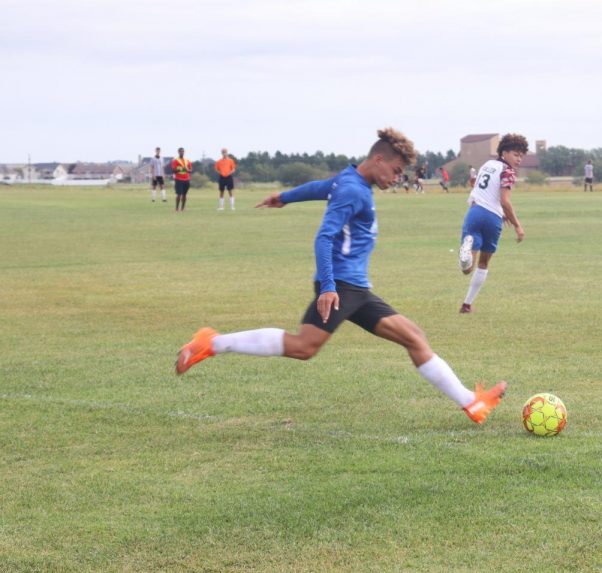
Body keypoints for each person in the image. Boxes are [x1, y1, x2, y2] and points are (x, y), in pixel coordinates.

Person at [175, 128, 506, 424]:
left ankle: (472, 404)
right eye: (395, 171)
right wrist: (329, 287)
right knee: (304, 347)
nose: (396, 178)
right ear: (378, 159)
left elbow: (321, 187)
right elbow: (324, 237)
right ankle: (212, 342)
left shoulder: (349, 180)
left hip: (356, 289)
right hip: (341, 286)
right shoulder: (353, 191)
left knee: (413, 337)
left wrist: (286, 197)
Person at [457, 133, 527, 314]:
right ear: (504, 152)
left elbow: (482, 188)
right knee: (484, 263)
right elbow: (505, 200)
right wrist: (517, 225)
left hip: (475, 212)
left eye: (521, 155)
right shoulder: (508, 172)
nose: (519, 159)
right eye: (515, 154)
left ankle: (466, 254)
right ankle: (467, 304)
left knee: (467, 268)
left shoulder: (487, 165)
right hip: (493, 219)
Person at [171, 147, 192, 211]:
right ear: (178, 152)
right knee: (179, 194)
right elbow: (174, 170)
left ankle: (182, 209)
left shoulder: (187, 161)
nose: (182, 152)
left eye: (183, 151)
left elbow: (190, 170)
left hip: (186, 179)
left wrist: (187, 170)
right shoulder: (175, 161)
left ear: (184, 152)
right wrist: (182, 169)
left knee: (184, 195)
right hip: (178, 179)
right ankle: (177, 208)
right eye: (180, 151)